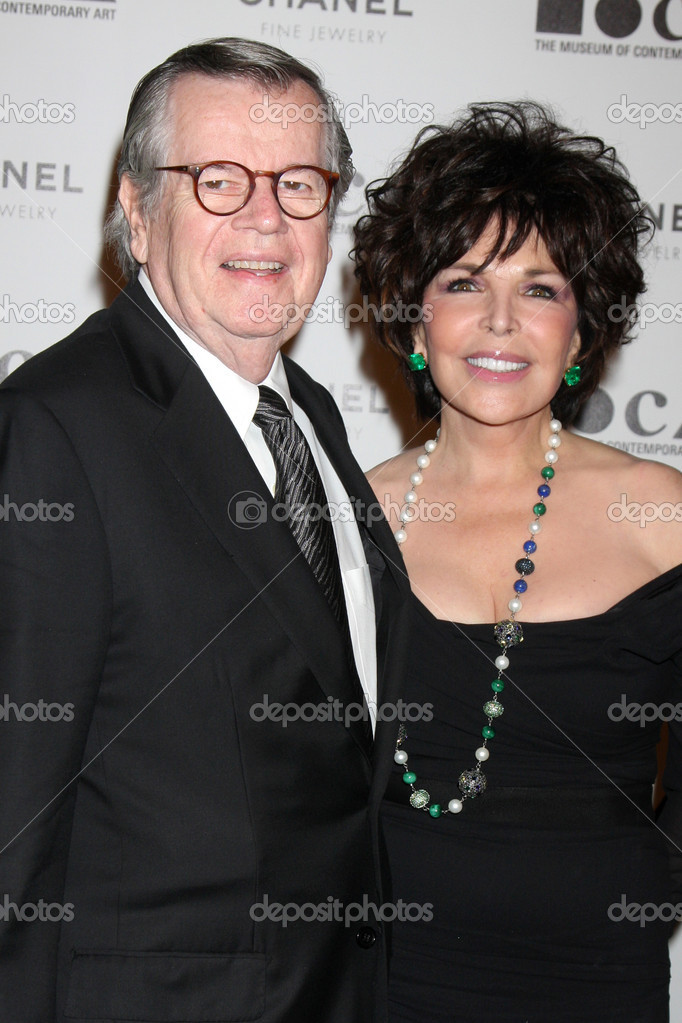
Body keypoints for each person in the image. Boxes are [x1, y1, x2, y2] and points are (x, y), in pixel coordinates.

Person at [0, 38, 410, 1023]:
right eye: (219, 180)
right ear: (139, 213)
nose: (266, 218)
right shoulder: (56, 427)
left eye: (299, 184)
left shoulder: (310, 415)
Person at [353, 102, 682, 1021]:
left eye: (540, 289)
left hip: (599, 978)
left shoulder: (661, 515)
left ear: (580, 333)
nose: (500, 322)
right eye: (464, 282)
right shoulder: (349, 518)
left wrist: (639, 887)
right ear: (413, 321)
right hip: (389, 980)